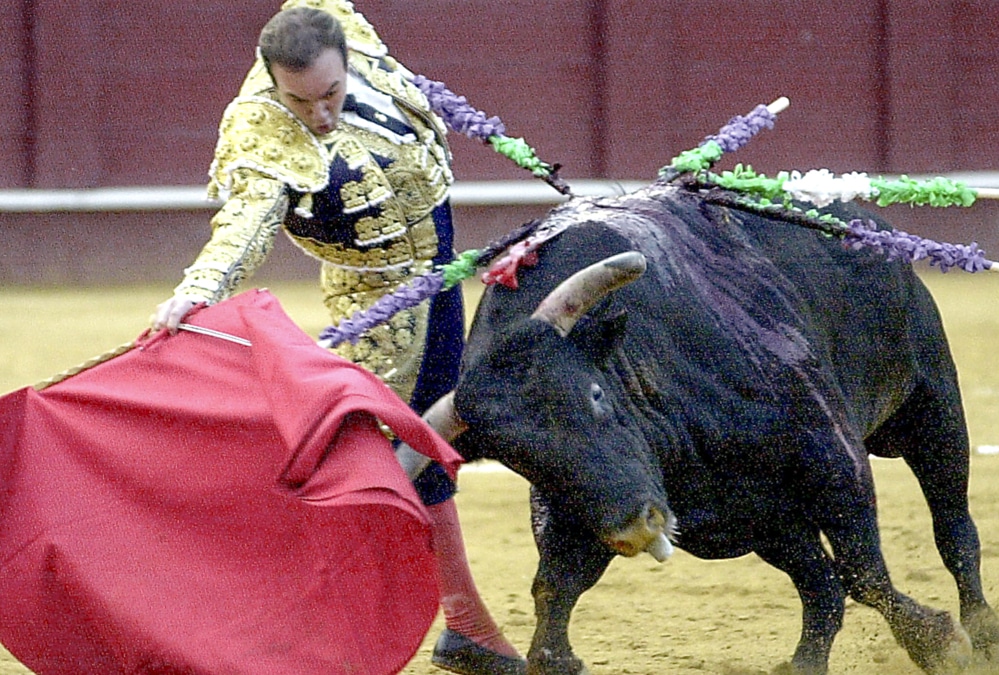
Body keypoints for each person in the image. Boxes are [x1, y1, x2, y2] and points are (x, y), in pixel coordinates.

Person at [152, 2, 525, 673]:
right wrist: (199, 290)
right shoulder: (261, 130)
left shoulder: (338, 27)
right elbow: (246, 222)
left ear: (346, 59)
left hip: (436, 272)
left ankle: (462, 621)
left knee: (427, 446)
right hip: (379, 304)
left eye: (331, 93)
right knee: (385, 457)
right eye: (301, 101)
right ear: (272, 82)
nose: (320, 115)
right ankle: (440, 619)